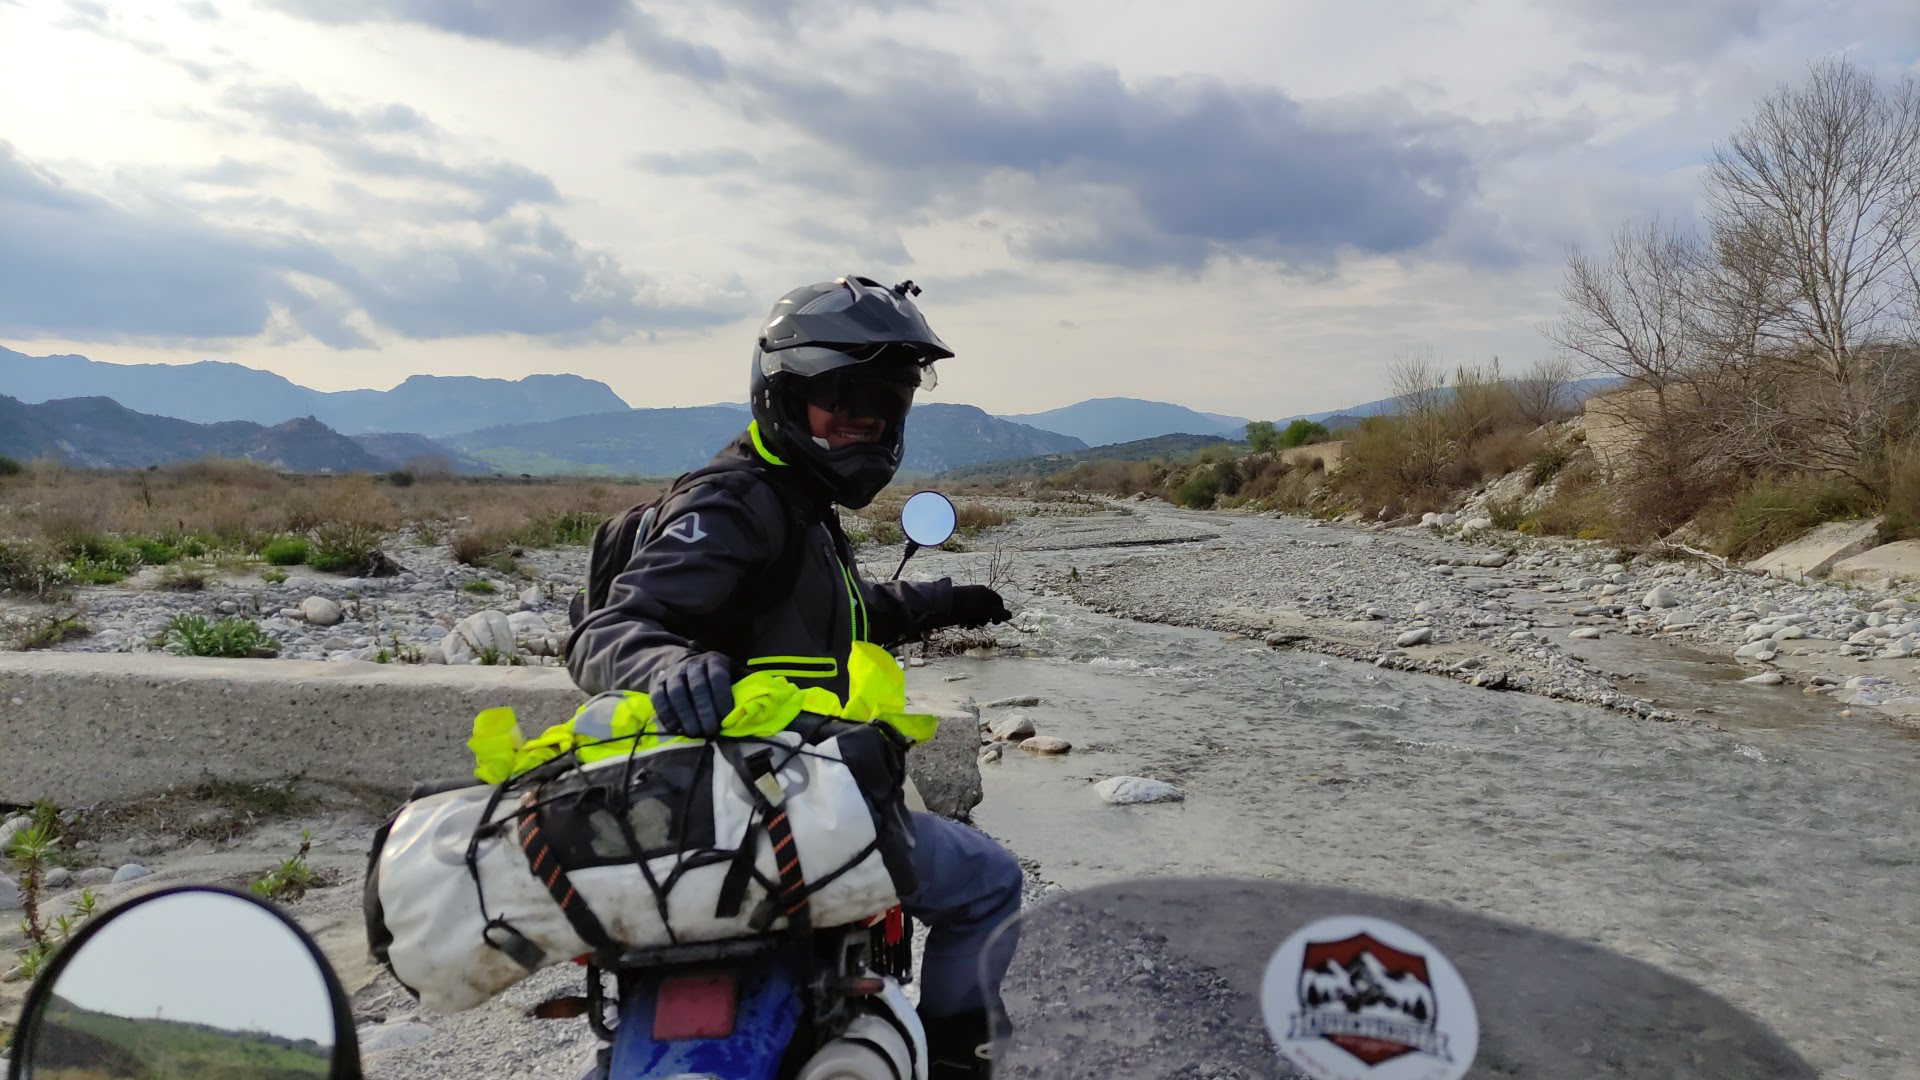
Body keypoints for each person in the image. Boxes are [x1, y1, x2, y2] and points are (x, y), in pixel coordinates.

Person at [567, 275, 1021, 1078]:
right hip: (774, 807)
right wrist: (668, 666)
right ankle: (958, 1064)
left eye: (883, 405)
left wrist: (945, 600)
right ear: (784, 394)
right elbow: (612, 626)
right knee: (990, 884)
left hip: (777, 790)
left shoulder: (796, 503)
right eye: (842, 401)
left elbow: (839, 614)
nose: (864, 423)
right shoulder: (735, 503)